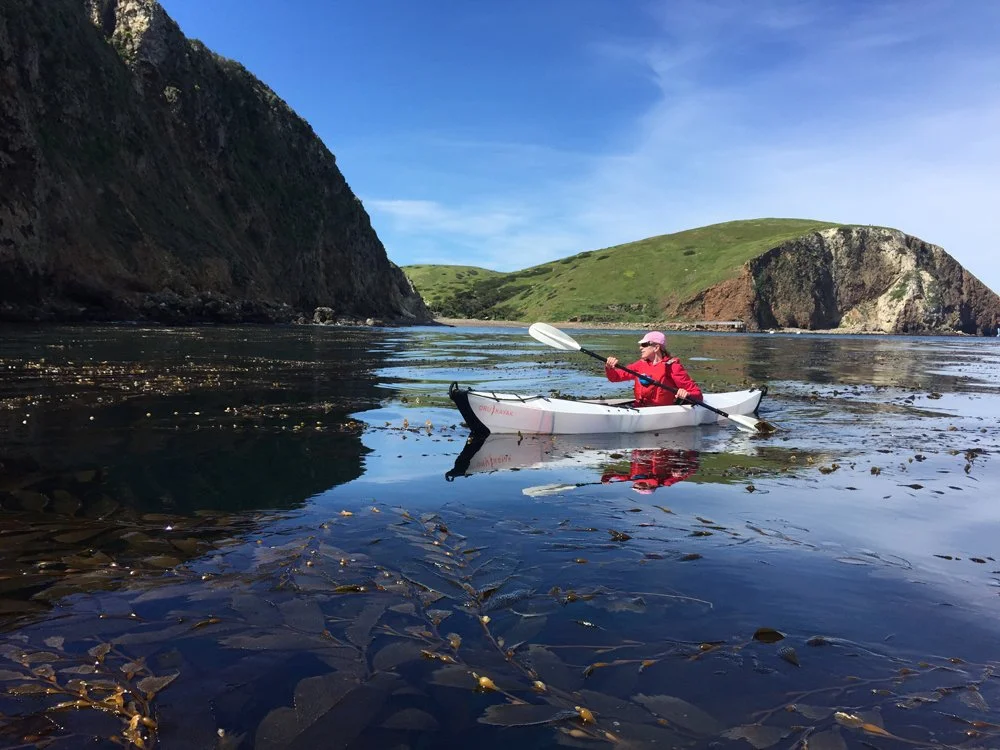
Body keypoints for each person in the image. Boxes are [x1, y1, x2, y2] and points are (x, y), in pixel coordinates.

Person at [605, 331, 702, 407]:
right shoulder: (640, 365)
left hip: (661, 411)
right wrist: (609, 368)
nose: (640, 348)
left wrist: (687, 394)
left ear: (656, 347)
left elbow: (698, 395)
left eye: (644, 345)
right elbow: (615, 377)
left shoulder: (672, 367)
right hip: (640, 408)